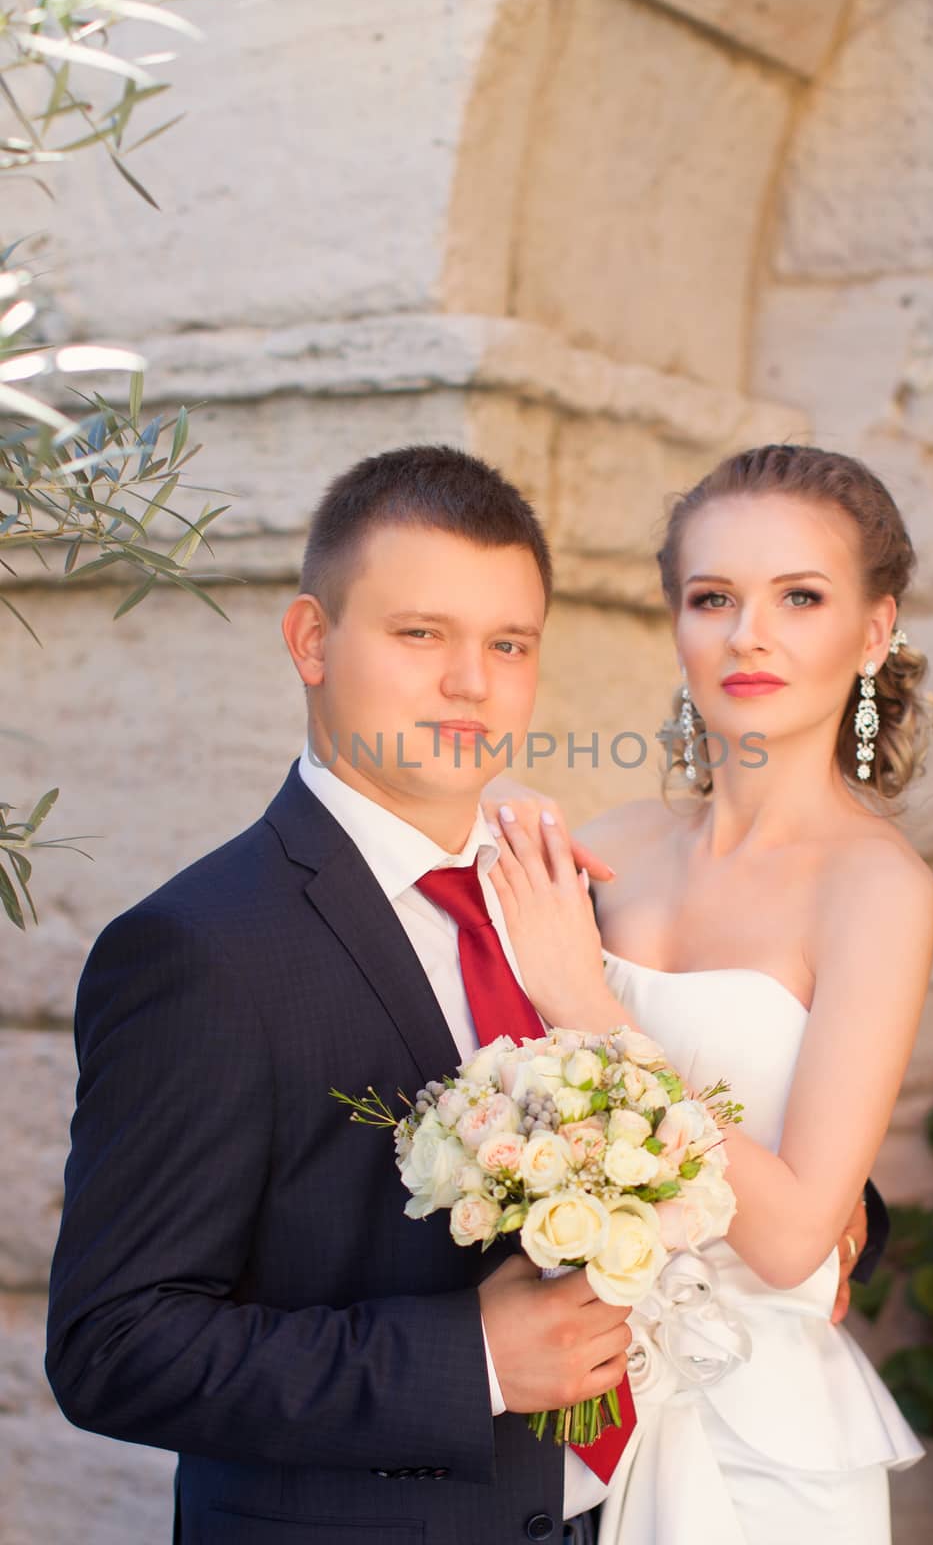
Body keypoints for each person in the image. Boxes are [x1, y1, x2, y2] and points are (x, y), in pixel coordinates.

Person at [45, 443, 881, 1545]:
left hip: (634, 1513)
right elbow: (116, 1346)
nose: (469, 683)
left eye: (508, 644)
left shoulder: (565, 887)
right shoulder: (201, 949)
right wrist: (473, 1359)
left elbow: (719, 1108)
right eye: (418, 633)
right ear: (310, 640)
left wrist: (832, 1215)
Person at [481, 443, 933, 1544]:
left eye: (798, 595)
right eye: (711, 598)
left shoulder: (875, 889)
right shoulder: (613, 845)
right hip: (569, 1408)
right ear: (676, 623)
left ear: (873, 631)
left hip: (756, 1447)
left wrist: (588, 1005)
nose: (748, 632)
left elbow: (791, 1236)